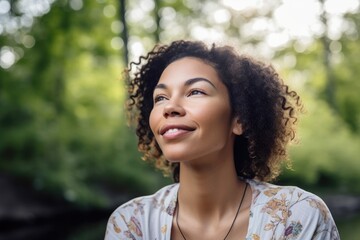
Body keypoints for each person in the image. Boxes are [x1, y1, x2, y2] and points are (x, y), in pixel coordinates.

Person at [104, 40, 340, 240]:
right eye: (161, 97)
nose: (170, 108)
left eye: (195, 91)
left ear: (239, 119)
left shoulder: (297, 215)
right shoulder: (130, 224)